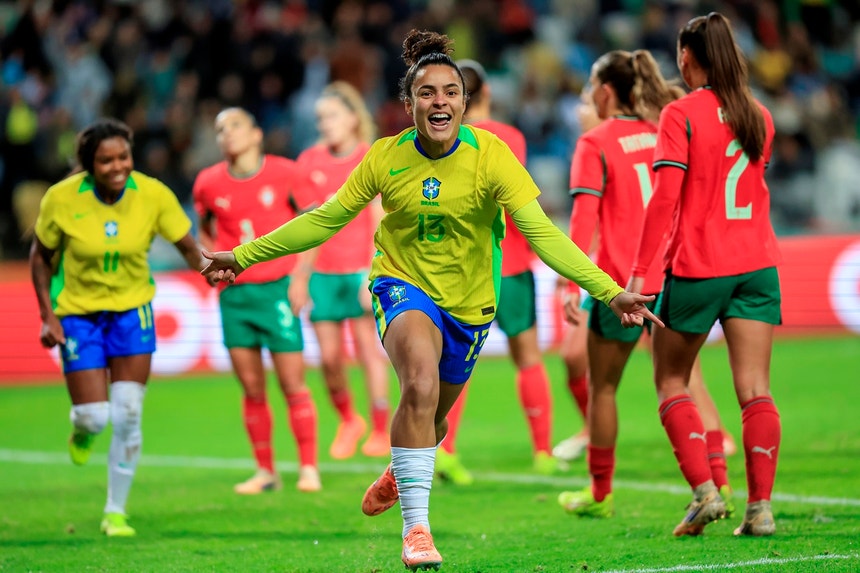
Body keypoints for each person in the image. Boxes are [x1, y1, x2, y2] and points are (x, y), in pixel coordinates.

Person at [201, 29, 661, 571]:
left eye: (450, 92)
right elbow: (325, 218)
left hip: (470, 304)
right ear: (409, 103)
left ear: (464, 103)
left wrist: (608, 291)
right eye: (427, 92)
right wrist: (245, 255)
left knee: (432, 420)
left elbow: (541, 233)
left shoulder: (491, 155)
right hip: (401, 285)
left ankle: (401, 469)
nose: (439, 101)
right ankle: (416, 531)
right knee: (418, 385)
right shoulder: (385, 156)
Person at [554, 49, 736, 520]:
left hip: (620, 286)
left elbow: (583, 220)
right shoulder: (664, 129)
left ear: (605, 92)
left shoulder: (595, 142)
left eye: (590, 86)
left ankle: (600, 494)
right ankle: (719, 482)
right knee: (689, 383)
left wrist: (570, 286)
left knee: (603, 388)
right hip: (674, 276)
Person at [629, 12, 781, 537]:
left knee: (671, 379)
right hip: (758, 266)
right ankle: (760, 509)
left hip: (699, 266)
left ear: (687, 57)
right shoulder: (759, 115)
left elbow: (664, 200)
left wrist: (638, 274)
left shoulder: (681, 113)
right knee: (756, 390)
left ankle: (705, 495)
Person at [29, 118, 205, 537]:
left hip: (132, 312)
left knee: (127, 412)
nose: (117, 166)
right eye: (106, 160)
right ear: (89, 164)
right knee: (94, 417)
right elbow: (40, 256)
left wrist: (210, 269)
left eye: (123, 157)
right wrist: (47, 315)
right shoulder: (62, 198)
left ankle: (115, 511)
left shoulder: (152, 193)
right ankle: (82, 430)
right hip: (79, 315)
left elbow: (187, 246)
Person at [432, 58, 558, 484]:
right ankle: (543, 452)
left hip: (461, 269)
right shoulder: (509, 137)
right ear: (485, 93)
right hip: (512, 262)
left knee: (455, 364)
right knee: (528, 357)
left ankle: (446, 450)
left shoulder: (442, 140)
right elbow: (513, 198)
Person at [192, 107, 321, 494]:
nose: (227, 134)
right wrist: (209, 263)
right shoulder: (207, 183)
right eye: (220, 129)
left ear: (255, 134)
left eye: (235, 126)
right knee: (251, 387)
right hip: (235, 295)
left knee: (292, 383)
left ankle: (308, 468)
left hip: (277, 288)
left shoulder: (287, 173)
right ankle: (266, 472)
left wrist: (301, 277)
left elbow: (313, 225)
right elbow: (205, 229)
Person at [288, 82, 391, 460]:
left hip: (359, 270)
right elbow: (307, 224)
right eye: (320, 118)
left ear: (352, 117)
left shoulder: (370, 157)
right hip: (322, 273)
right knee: (329, 358)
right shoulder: (309, 162)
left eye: (331, 115)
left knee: (368, 350)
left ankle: (380, 428)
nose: (325, 123)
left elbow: (378, 218)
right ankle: (349, 420)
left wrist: (373, 271)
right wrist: (300, 277)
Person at [552, 86, 602, 463]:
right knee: (573, 355)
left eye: (585, 103)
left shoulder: (602, 145)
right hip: (604, 272)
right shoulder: (589, 147)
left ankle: (714, 434)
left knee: (675, 369)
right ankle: (591, 429)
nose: (579, 111)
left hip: (642, 271)